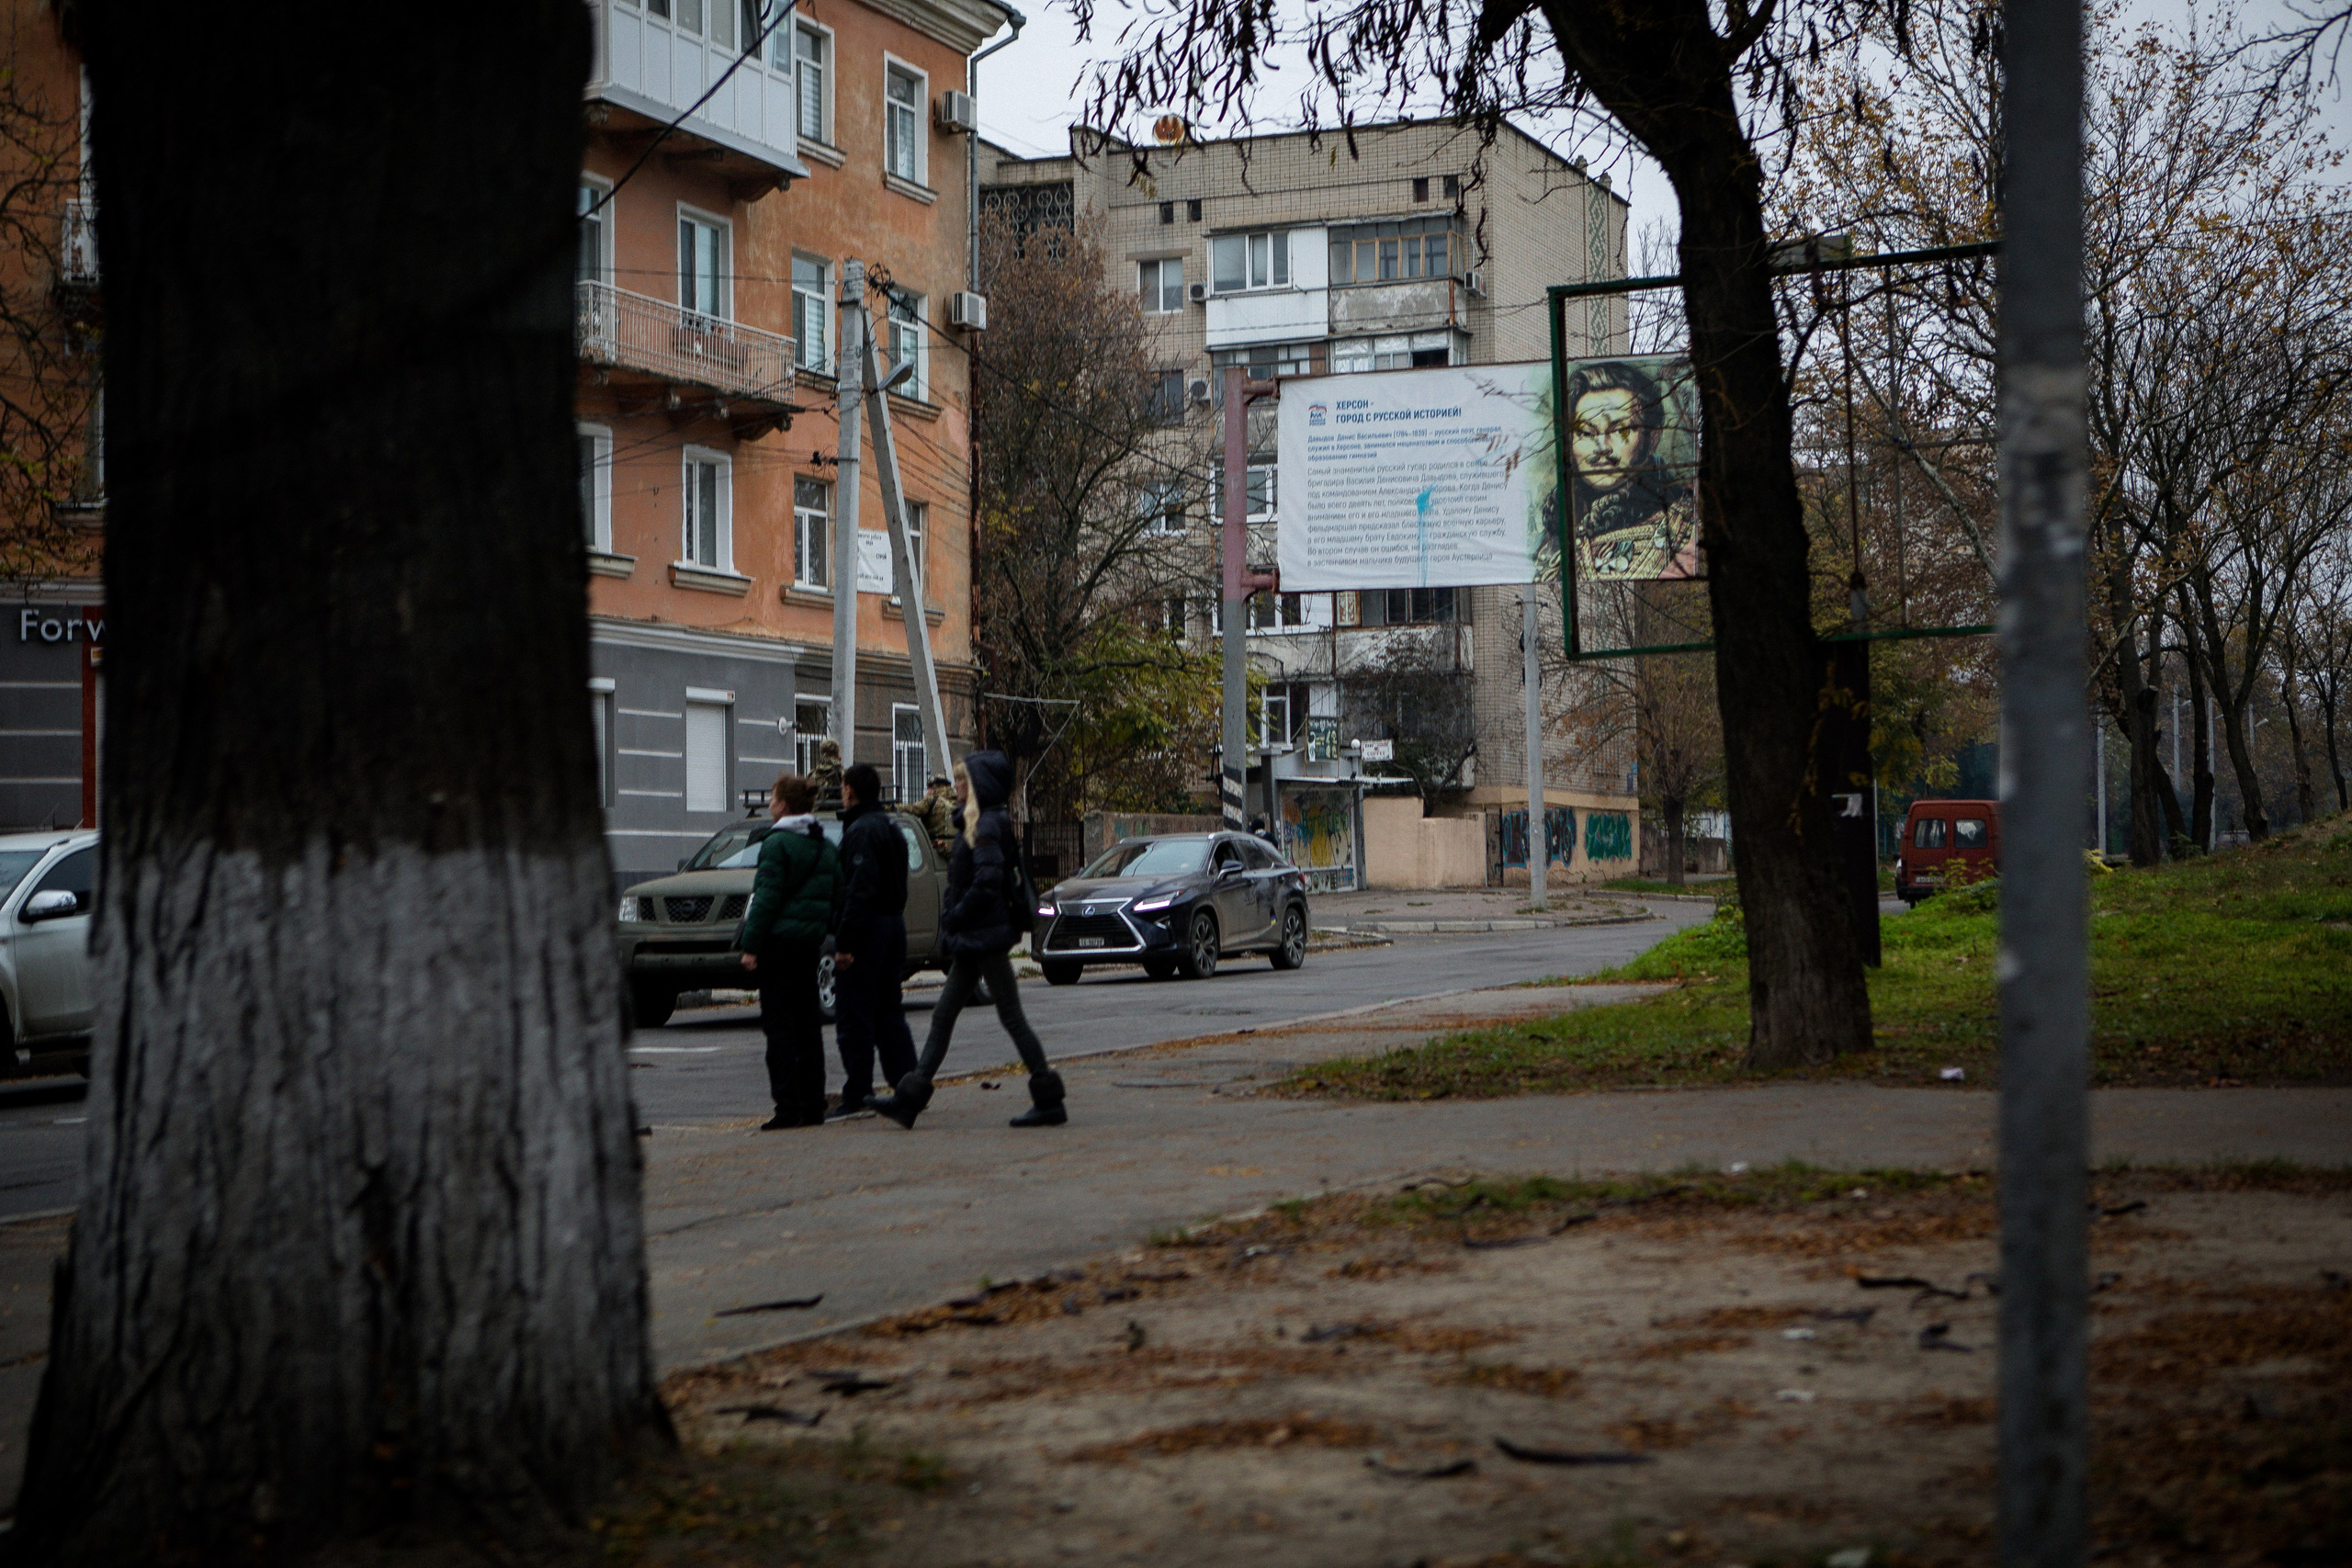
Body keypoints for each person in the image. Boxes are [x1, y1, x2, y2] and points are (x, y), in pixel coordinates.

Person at [869, 751, 1066, 1130]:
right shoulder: (975, 822)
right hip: (975, 938)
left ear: (979, 786)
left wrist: (956, 917)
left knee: (1010, 1017)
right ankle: (908, 1100)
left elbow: (987, 884)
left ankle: (1049, 1099)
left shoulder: (988, 825)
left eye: (963, 781)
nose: (956, 787)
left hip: (984, 938)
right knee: (944, 1016)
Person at [738, 773, 840, 1130]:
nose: (768, 804)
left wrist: (750, 946)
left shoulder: (777, 844)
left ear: (783, 805)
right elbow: (836, 898)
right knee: (809, 1027)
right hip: (809, 946)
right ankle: (814, 1106)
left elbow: (765, 899)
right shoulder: (824, 846)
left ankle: (787, 1108)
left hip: (778, 948)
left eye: (772, 798)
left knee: (779, 1028)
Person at [829, 761, 917, 1121]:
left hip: (868, 931)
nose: (840, 793)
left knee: (855, 1015)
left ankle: (859, 1093)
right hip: (892, 925)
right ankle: (909, 1086)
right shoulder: (890, 827)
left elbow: (858, 890)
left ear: (850, 790)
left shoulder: (862, 831)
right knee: (888, 1012)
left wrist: (845, 942)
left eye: (842, 787)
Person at [1566, 358, 1702, 582]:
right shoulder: (1555, 528)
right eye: (1586, 433)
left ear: (1653, 437)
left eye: (1620, 430)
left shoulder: (1684, 524)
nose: (1602, 448)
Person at [905, 773, 956, 852]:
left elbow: (912, 809)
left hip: (936, 848)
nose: (928, 792)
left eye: (929, 788)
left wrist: (890, 806)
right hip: (957, 848)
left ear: (934, 789)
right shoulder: (959, 801)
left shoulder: (931, 800)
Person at [808, 738, 844, 807]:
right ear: (837, 754)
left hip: (815, 812)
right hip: (836, 811)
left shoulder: (812, 774)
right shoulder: (842, 772)